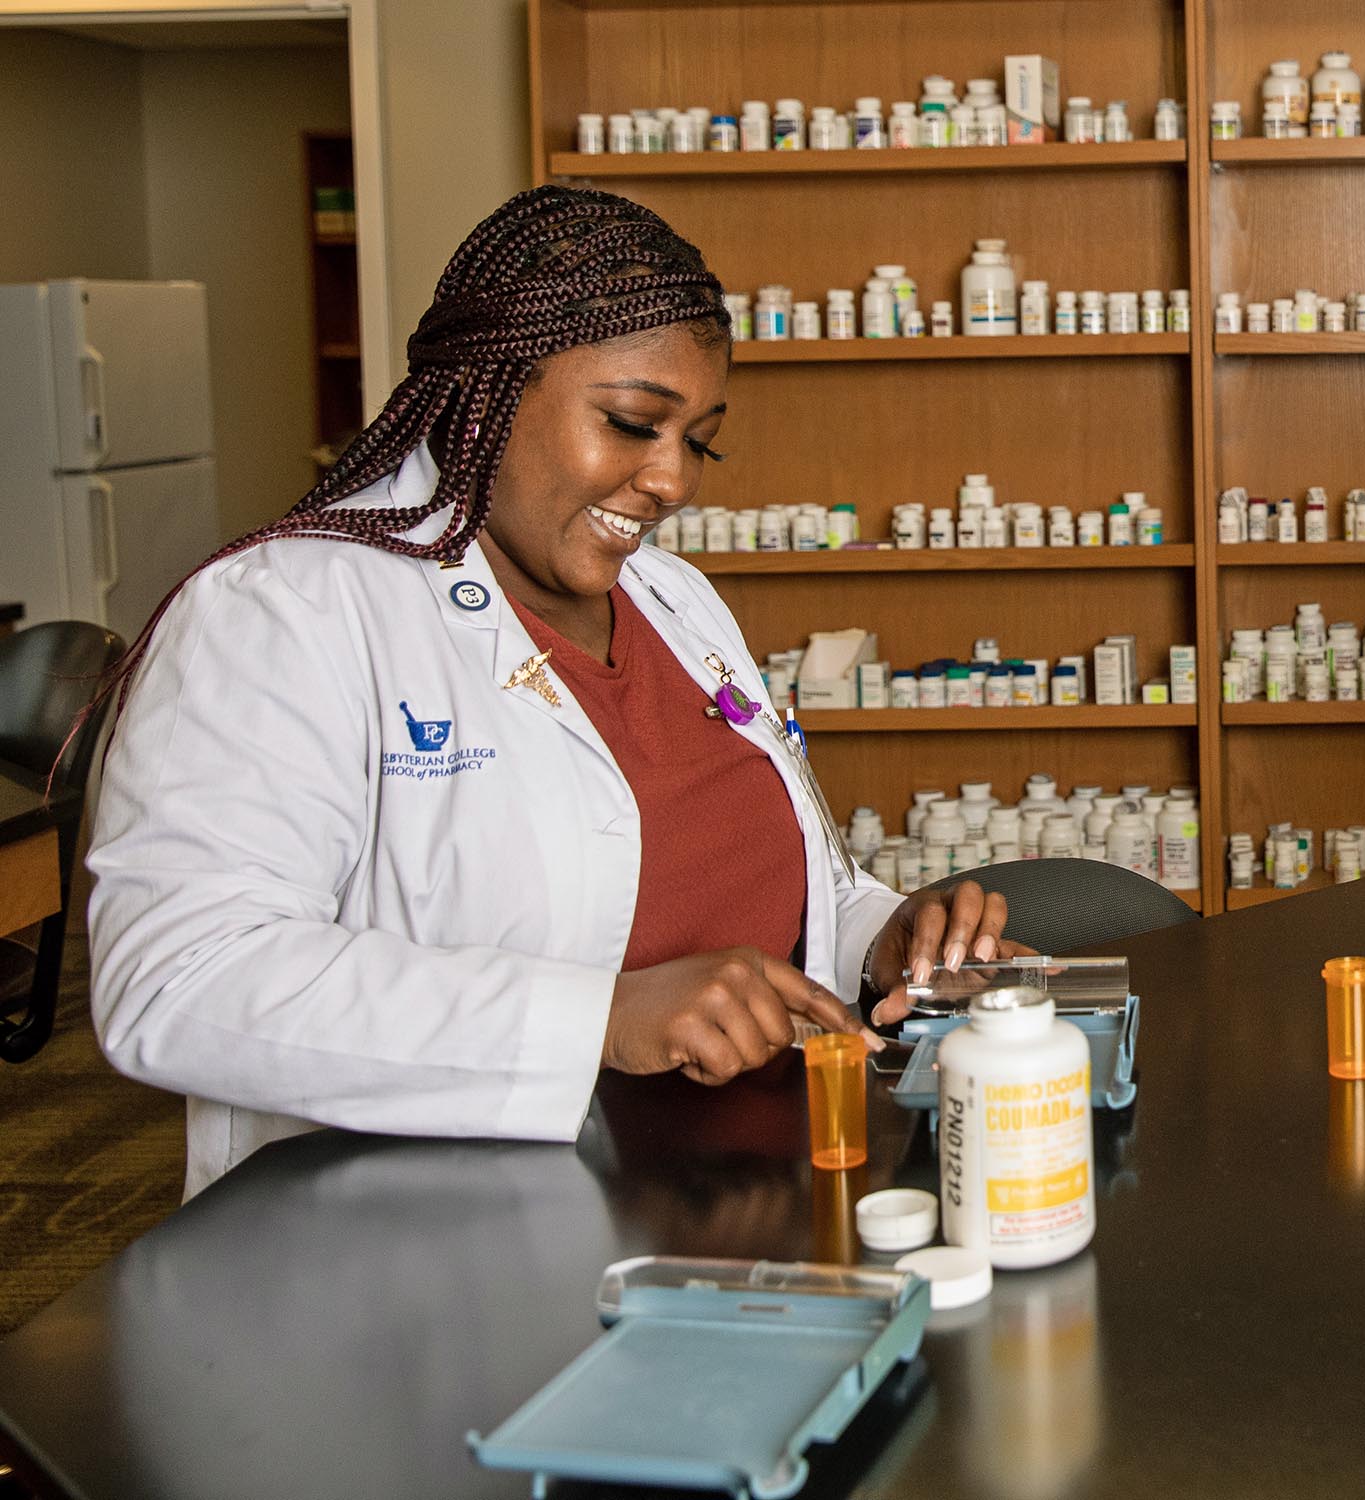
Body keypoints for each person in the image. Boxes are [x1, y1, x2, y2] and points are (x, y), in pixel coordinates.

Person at [88, 185, 1023, 1197]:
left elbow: (777, 893)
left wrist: (878, 941)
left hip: (742, 1197)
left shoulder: (676, 600)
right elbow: (177, 982)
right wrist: (597, 1021)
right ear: (485, 387)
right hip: (446, 1247)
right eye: (631, 424)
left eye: (699, 440)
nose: (673, 482)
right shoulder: (284, 613)